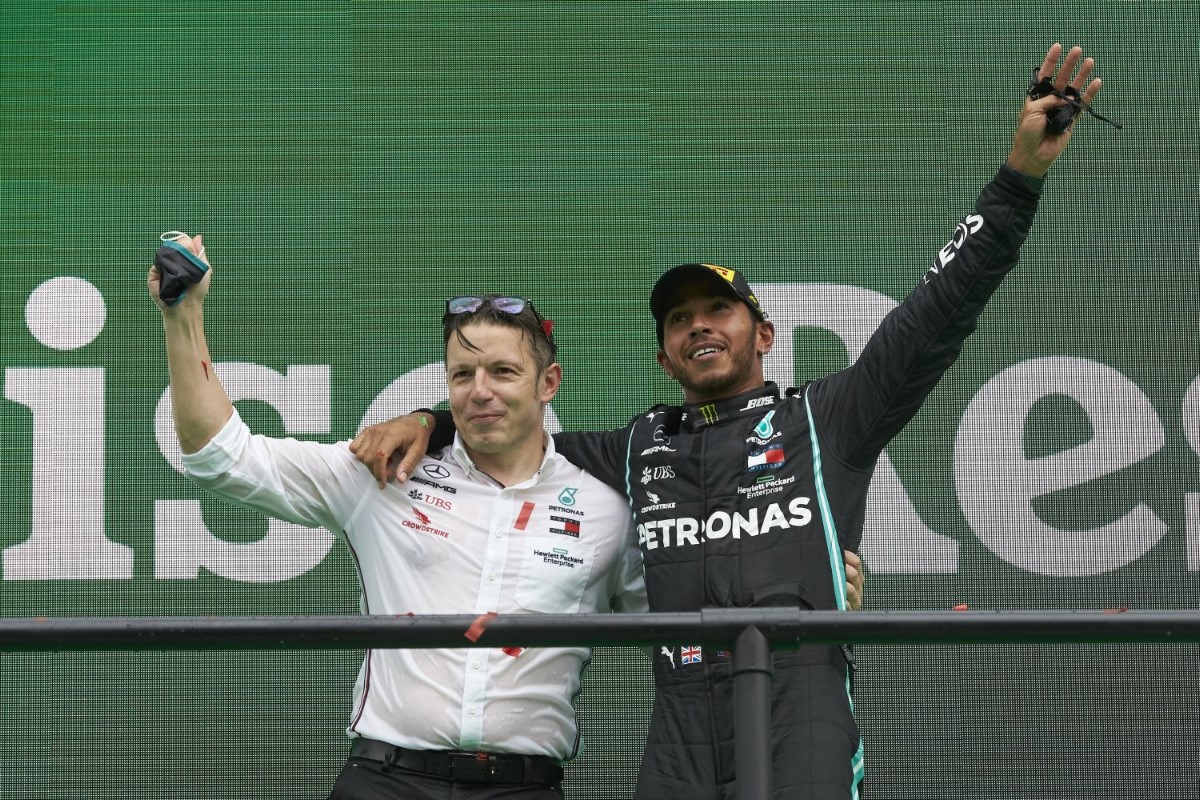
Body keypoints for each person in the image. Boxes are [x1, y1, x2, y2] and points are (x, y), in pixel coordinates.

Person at [348, 43, 1108, 800]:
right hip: (680, 719)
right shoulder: (638, 445)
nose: (700, 326)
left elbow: (939, 313)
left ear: (763, 335)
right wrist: (432, 417)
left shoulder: (826, 417)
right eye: (680, 319)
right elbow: (509, 431)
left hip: (798, 703)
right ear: (663, 356)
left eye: (719, 310)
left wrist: (1019, 179)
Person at [148, 265, 651, 799]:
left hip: (525, 787)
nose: (480, 392)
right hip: (386, 780)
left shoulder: (609, 510)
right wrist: (183, 313)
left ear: (548, 383)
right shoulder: (385, 472)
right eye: (462, 375)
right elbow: (220, 457)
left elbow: (678, 642)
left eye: (503, 372)